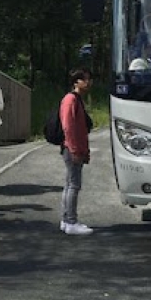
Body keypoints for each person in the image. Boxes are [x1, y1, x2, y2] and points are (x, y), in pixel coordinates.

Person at [58, 67, 94, 235]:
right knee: (74, 185)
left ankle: (66, 220)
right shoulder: (70, 99)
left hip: (76, 147)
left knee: (69, 184)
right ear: (76, 82)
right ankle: (71, 221)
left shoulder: (77, 99)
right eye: (84, 79)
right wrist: (74, 149)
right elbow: (68, 126)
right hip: (72, 148)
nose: (88, 82)